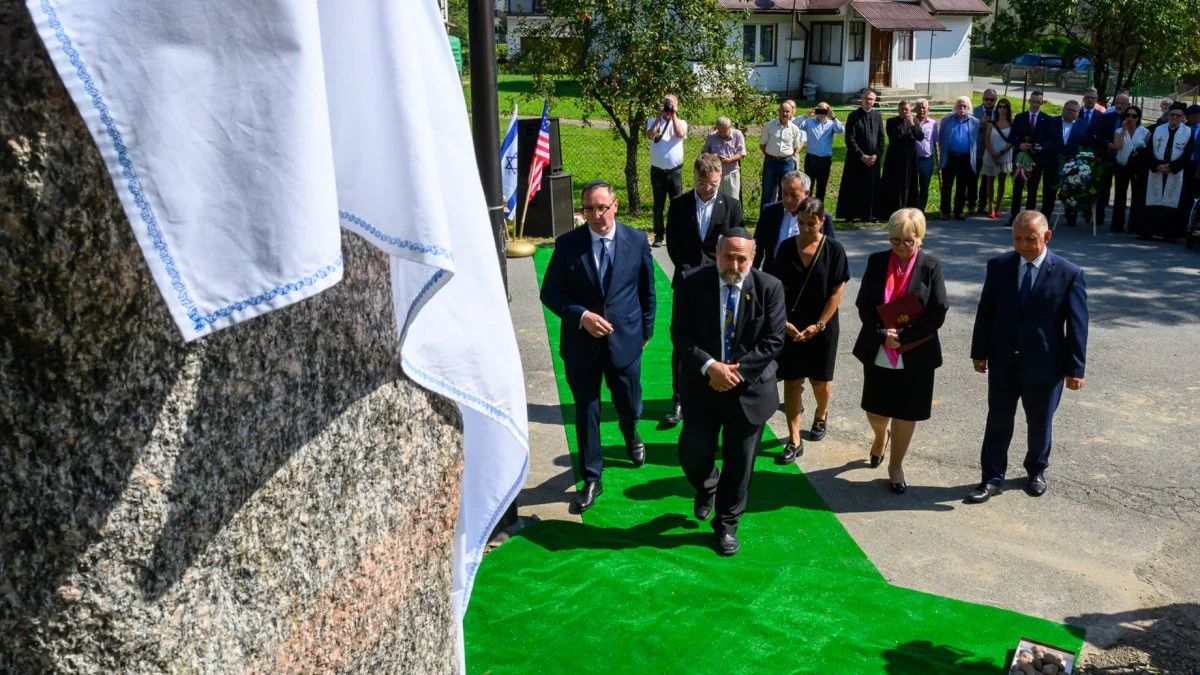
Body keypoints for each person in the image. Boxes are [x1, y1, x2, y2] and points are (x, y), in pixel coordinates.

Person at [540, 180, 656, 512]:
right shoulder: (567, 245)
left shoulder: (635, 240)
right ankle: (592, 477)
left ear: (615, 206)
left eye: (601, 207)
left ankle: (631, 432)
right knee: (586, 410)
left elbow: (647, 291)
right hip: (581, 345)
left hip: (625, 341)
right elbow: (550, 293)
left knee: (627, 401)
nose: (595, 215)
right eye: (588, 209)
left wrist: (645, 332)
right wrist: (581, 316)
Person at [672, 228, 786, 556]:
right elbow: (680, 333)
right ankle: (707, 485)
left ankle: (726, 524)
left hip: (749, 391)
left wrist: (734, 373)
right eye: (728, 256)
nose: (734, 264)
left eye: (742, 258)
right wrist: (711, 367)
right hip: (703, 387)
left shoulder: (770, 288)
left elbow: (774, 340)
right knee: (692, 452)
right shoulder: (692, 282)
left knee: (740, 465)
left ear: (752, 259)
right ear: (717, 253)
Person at [968, 211, 1087, 503]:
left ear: (1046, 237)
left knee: (1040, 422)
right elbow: (986, 311)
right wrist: (979, 351)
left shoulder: (1068, 273)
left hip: (1045, 366)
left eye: (1030, 239)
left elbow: (1077, 325)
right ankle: (992, 478)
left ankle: (1036, 471)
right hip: (1004, 361)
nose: (1023, 245)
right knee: (998, 421)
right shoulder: (999, 266)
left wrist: (1075, 368)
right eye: (1017, 239)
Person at [852, 208, 948, 494]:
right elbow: (864, 305)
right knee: (876, 408)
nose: (902, 247)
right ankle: (881, 435)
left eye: (909, 241)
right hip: (880, 345)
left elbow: (938, 311)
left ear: (920, 238)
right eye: (895, 240)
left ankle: (896, 465)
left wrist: (904, 336)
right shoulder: (877, 261)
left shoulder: (931, 265)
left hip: (917, 350)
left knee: (907, 411)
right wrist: (884, 335)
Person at [664, 154, 744, 426]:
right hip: (686, 281)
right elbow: (673, 242)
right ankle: (678, 398)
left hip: (719, 281)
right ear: (694, 178)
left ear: (719, 178)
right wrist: (688, 272)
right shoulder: (679, 204)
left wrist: (717, 273)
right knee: (683, 340)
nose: (706, 188)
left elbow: (734, 242)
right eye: (701, 183)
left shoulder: (731, 205)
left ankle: (715, 386)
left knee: (717, 335)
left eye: (711, 184)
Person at [770, 197, 850, 463]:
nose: (805, 229)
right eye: (801, 223)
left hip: (822, 325)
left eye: (811, 224)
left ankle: (820, 414)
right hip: (791, 325)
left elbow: (838, 290)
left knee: (820, 382)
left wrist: (819, 324)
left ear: (822, 222)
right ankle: (794, 439)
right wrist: (782, 322)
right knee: (792, 381)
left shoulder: (834, 250)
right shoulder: (785, 248)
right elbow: (775, 287)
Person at [754, 170, 835, 273]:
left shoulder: (821, 217)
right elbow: (757, 247)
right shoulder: (770, 212)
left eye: (793, 195)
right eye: (785, 193)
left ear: (806, 193)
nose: (788, 199)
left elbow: (830, 254)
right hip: (774, 277)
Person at [1138, 102, 1196, 242]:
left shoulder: (1189, 132)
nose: (1174, 117)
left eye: (1178, 115)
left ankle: (1169, 233)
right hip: (1157, 168)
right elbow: (1149, 150)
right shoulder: (1158, 129)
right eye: (1172, 114)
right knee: (1153, 199)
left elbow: (1187, 154)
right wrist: (1157, 165)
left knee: (1172, 200)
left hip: (1176, 170)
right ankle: (1149, 231)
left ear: (1183, 117)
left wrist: (1172, 167)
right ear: (1168, 115)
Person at [836, 89, 885, 222]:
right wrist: (862, 156)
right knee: (854, 187)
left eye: (871, 99)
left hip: (872, 161)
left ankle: (869, 214)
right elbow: (850, 139)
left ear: (874, 101)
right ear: (861, 100)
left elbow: (881, 139)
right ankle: (851, 214)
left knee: (871, 188)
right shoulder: (853, 116)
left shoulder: (877, 116)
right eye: (866, 98)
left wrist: (876, 155)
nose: (868, 101)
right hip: (856, 159)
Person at [647, 94, 687, 247]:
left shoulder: (681, 122)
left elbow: (680, 134)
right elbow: (650, 135)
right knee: (658, 204)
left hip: (675, 171)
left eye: (672, 105)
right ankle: (658, 235)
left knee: (676, 203)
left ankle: (676, 234)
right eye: (667, 104)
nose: (669, 107)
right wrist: (659, 117)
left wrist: (674, 114)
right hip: (657, 171)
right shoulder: (653, 121)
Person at [1007, 91, 1052, 227]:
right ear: (1029, 101)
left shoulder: (1047, 119)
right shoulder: (1020, 117)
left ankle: (1029, 220)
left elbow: (1050, 140)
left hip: (1037, 160)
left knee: (1032, 189)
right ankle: (1014, 218)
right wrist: (1019, 144)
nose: (1035, 104)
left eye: (1038, 102)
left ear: (1041, 103)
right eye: (1033, 101)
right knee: (1018, 189)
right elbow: (1011, 137)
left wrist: (1041, 148)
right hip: (1021, 159)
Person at [1043, 100, 1091, 227]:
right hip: (1052, 163)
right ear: (1063, 109)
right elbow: (1046, 139)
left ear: (1078, 112)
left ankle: (1071, 217)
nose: (1070, 112)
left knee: (1072, 191)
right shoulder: (1052, 122)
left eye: (1073, 110)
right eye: (1068, 109)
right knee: (1049, 191)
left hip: (1073, 165)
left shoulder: (1084, 126)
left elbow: (1086, 145)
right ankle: (1045, 217)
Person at [1101, 96, 1145, 232]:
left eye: (1133, 116)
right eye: (1128, 115)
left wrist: (1139, 153)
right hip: (1121, 165)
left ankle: (1134, 225)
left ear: (1138, 118)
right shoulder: (1119, 131)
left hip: (1136, 167)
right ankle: (1117, 225)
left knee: (1137, 196)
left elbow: (1146, 149)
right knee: (1120, 195)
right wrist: (1124, 130)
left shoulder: (1145, 131)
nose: (1130, 118)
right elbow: (1117, 146)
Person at [1090, 92, 1132, 229]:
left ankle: (1117, 223)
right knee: (1102, 189)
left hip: (1123, 160)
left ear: (1128, 105)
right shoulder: (1106, 117)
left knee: (1121, 191)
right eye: (1117, 103)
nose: (1119, 105)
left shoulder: (1132, 119)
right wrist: (1108, 144)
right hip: (1106, 157)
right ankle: (1098, 218)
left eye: (1122, 103)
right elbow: (1098, 136)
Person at [876, 100, 925, 217]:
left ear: (910, 110)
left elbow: (920, 137)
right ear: (898, 110)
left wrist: (912, 125)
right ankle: (891, 211)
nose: (904, 112)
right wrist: (908, 136)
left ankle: (908, 210)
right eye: (902, 110)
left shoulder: (915, 121)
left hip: (910, 159)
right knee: (893, 184)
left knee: (910, 184)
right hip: (895, 158)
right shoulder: (891, 121)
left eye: (906, 110)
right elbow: (895, 138)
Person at [937, 96, 980, 220]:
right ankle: (945, 211)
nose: (962, 108)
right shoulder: (946, 120)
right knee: (947, 186)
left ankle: (958, 211)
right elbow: (940, 139)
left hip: (965, 158)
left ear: (968, 108)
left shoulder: (974, 122)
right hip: (950, 157)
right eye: (959, 105)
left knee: (962, 186)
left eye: (964, 106)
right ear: (955, 107)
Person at [760, 100, 806, 207]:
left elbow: (796, 147)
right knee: (767, 191)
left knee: (786, 192)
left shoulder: (794, 129)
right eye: (783, 111)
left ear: (791, 113)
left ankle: (782, 218)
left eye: (787, 111)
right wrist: (772, 155)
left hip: (786, 163)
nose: (785, 114)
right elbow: (762, 145)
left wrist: (786, 155)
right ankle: (764, 219)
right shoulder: (769, 125)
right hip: (771, 162)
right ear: (778, 111)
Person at [798, 101, 845, 201]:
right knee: (808, 187)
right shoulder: (809, 122)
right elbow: (794, 125)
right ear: (816, 110)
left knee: (822, 187)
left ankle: (818, 211)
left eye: (825, 110)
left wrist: (833, 117)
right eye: (821, 110)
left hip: (825, 160)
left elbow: (841, 130)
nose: (823, 113)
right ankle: (807, 210)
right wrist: (806, 115)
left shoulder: (832, 124)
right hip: (811, 159)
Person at [981, 98, 1015, 219]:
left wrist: (1001, 152)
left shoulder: (1012, 124)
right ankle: (990, 206)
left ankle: (998, 207)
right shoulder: (992, 123)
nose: (1002, 109)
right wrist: (993, 154)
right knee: (989, 182)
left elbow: (1012, 141)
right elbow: (986, 139)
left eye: (1005, 107)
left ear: (1008, 109)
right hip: (990, 155)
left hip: (1005, 155)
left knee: (1001, 182)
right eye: (1000, 107)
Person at [702, 117, 747, 200]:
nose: (722, 133)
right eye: (720, 131)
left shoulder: (737, 135)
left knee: (732, 200)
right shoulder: (712, 136)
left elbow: (741, 153)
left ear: (730, 127)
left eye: (725, 130)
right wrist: (713, 157)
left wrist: (730, 160)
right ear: (717, 128)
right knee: (715, 200)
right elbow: (704, 153)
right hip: (714, 174)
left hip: (731, 173)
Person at [970, 89, 999, 215]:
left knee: (987, 180)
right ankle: (971, 205)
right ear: (982, 98)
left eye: (991, 100)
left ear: (995, 100)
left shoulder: (999, 112)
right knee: (972, 179)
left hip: (991, 150)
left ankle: (982, 205)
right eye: (986, 99)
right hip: (977, 150)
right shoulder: (975, 111)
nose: (989, 101)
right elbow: (969, 129)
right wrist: (979, 123)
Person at [913, 99, 939, 213]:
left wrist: (938, 160)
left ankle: (921, 210)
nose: (922, 110)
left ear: (928, 109)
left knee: (924, 186)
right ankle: (911, 209)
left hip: (927, 160)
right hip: (913, 160)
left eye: (924, 107)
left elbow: (935, 142)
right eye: (919, 107)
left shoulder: (933, 123)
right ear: (915, 109)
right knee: (912, 186)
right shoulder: (911, 121)